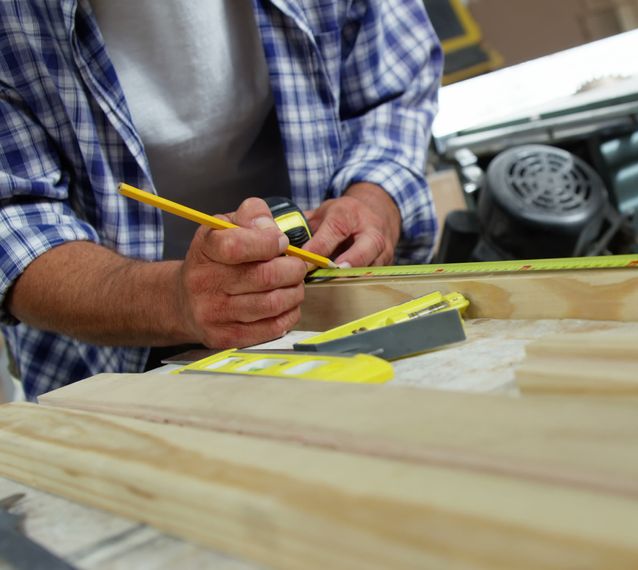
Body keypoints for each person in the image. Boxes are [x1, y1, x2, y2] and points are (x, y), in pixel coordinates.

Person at [0, 1, 442, 399]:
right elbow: (14, 221)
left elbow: (394, 87)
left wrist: (374, 200)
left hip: (341, 316)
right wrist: (173, 299)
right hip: (112, 371)